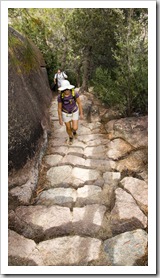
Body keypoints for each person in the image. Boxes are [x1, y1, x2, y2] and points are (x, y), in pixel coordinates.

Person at [57, 80, 83, 145]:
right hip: (65, 113)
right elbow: (59, 108)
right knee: (68, 127)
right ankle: (70, 137)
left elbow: (79, 103)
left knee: (75, 128)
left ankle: (74, 131)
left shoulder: (75, 94)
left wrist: (81, 113)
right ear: (63, 90)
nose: (67, 91)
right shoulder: (60, 97)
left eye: (68, 89)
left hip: (74, 111)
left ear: (70, 88)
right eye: (65, 89)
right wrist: (60, 118)